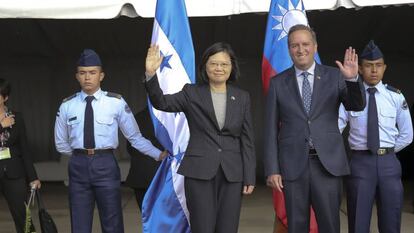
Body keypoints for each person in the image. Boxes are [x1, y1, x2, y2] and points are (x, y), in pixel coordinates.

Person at [144, 42, 256, 233]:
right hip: (199, 172)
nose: (219, 68)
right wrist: (150, 74)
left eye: (224, 64)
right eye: (213, 63)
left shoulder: (242, 97)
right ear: (205, 66)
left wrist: (250, 176)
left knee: (228, 227)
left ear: (232, 67)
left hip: (232, 173)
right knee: (202, 227)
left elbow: (247, 140)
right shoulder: (192, 92)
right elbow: (161, 102)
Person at [263, 24, 365, 233]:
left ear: (315, 47)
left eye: (305, 44)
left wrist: (352, 79)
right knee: (296, 225)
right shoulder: (278, 83)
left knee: (329, 224)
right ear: (289, 49)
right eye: (294, 45)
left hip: (326, 165)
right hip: (293, 166)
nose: (300, 50)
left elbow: (356, 105)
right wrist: (272, 169)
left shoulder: (335, 76)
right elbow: (270, 129)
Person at [54, 49, 167, 233]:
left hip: (105, 164)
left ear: (101, 75)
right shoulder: (67, 105)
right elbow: (60, 143)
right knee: (79, 222)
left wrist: (158, 154)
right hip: (78, 166)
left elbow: (135, 138)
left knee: (112, 221)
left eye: (92, 73)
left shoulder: (116, 102)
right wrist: (81, 154)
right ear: (77, 76)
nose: (87, 78)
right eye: (83, 73)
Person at [338, 40, 413, 233]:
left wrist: (385, 151)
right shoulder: (350, 96)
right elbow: (335, 128)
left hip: (389, 163)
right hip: (360, 163)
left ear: (384, 68)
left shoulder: (396, 97)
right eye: (369, 66)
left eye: (378, 65)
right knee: (358, 222)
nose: (374, 70)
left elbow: (407, 135)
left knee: (391, 220)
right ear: (360, 69)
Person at [0, 78, 41, 233]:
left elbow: (25, 148)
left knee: (23, 217)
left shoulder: (17, 118)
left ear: (5, 97)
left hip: (14, 173)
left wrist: (33, 177)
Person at [125, 107, 162, 211]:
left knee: (147, 218)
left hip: (141, 176)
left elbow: (130, 147)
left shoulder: (137, 117)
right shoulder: (174, 116)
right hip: (164, 175)